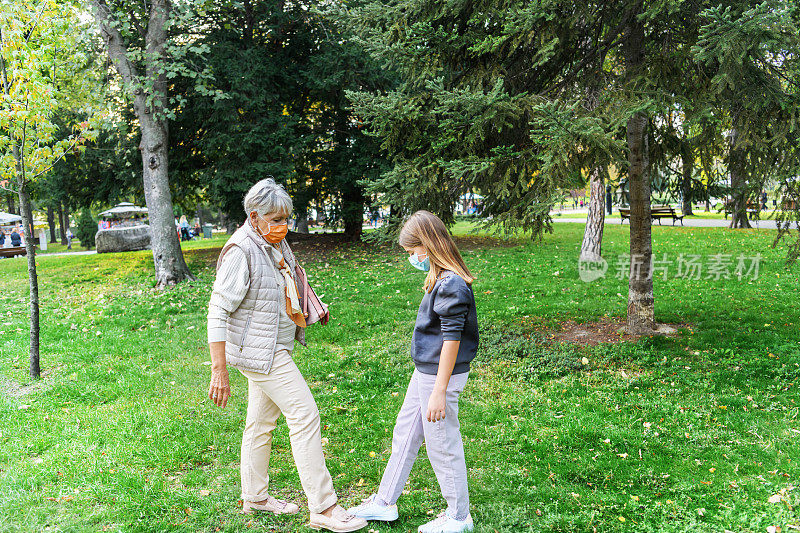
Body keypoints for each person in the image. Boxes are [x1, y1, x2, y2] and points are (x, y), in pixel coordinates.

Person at [206, 178, 366, 533]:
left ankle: (255, 497)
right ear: (254, 216)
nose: (283, 226)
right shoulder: (241, 251)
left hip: (272, 346)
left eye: (286, 219)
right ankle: (323, 507)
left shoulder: (272, 243)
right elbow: (217, 310)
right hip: (260, 352)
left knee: (261, 423)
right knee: (305, 414)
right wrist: (219, 370)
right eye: (275, 219)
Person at [349, 210, 479, 533]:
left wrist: (439, 391)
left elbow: (452, 341)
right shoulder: (441, 278)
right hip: (427, 372)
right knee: (406, 433)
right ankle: (385, 502)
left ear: (428, 246)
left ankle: (459, 517)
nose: (411, 259)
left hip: (439, 377)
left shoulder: (452, 285)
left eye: (412, 252)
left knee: (441, 443)